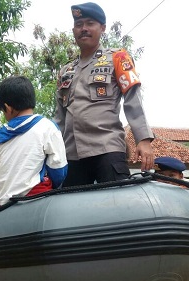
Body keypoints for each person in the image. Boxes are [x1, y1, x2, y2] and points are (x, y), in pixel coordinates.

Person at [54, 2, 154, 187]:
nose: (83, 29)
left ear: (102, 28)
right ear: (74, 30)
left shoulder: (118, 58)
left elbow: (133, 99)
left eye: (90, 23)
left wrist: (144, 139)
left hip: (107, 149)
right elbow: (59, 118)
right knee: (71, 212)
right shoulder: (65, 71)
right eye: (79, 24)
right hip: (71, 155)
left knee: (118, 209)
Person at [0, 75, 68, 206]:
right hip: (37, 202)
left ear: (8, 108)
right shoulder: (47, 127)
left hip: (4, 206)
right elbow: (59, 171)